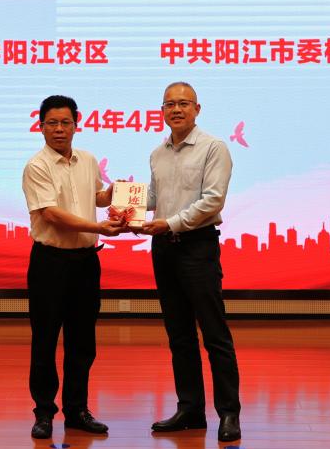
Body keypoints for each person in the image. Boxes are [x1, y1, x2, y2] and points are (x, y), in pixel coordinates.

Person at [142, 81, 242, 443]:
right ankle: (190, 410)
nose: (176, 110)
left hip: (197, 247)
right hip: (164, 249)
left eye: (183, 103)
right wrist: (123, 201)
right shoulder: (158, 153)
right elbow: (153, 197)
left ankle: (228, 413)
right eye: (169, 104)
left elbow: (212, 201)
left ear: (197, 109)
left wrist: (170, 223)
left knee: (214, 334)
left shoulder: (214, 148)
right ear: (162, 111)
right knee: (179, 335)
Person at [22, 94, 125, 440]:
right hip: (50, 263)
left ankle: (77, 410)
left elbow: (96, 197)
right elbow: (51, 214)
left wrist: (117, 194)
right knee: (45, 340)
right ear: (41, 127)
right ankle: (44, 413)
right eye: (52, 123)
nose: (59, 129)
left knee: (83, 342)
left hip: (85, 263)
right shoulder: (37, 166)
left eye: (65, 122)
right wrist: (98, 227)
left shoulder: (88, 160)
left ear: (76, 125)